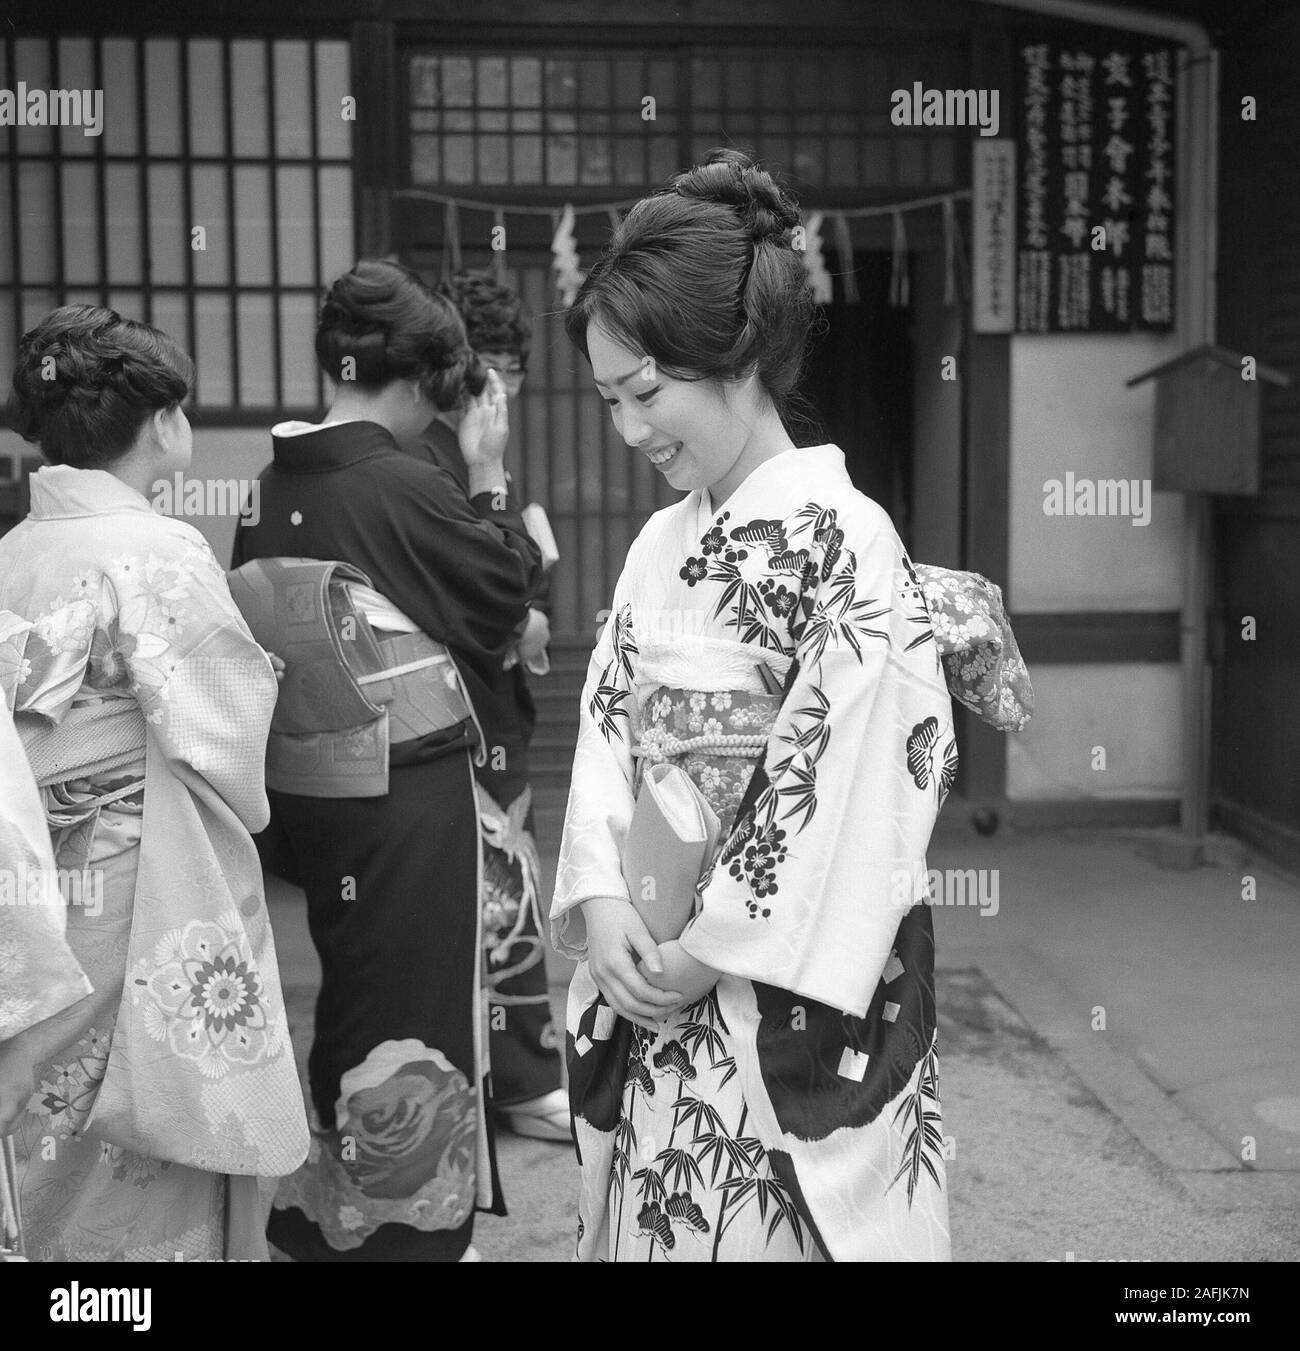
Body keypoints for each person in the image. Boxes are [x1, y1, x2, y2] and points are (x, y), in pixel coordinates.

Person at [550, 149, 957, 1262]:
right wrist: (600, 901)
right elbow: (605, 729)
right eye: (608, 401)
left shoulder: (848, 540)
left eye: (645, 395)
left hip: (769, 990)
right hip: (652, 966)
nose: (629, 430)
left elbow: (851, 780)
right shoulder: (656, 547)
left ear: (734, 358)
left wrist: (711, 943)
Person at [230, 259, 545, 1261]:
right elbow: (500, 597)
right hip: (407, 797)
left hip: (321, 793)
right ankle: (399, 1238)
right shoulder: (400, 481)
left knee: (357, 993)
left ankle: (329, 1215)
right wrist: (489, 482)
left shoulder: (277, 482)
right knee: (416, 1007)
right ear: (413, 387)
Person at [0, 305, 307, 1261]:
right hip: (136, 879)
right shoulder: (161, 550)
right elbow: (216, 725)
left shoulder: (13, 552)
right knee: (146, 1097)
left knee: (45, 1092)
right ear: (163, 421)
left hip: (35, 879)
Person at [401, 267, 567, 1143]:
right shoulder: (435, 460)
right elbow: (482, 597)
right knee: (495, 890)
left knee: (504, 886)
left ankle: (512, 1070)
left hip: (490, 707)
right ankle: (520, 1075)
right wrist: (528, 608)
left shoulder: (460, 449)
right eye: (487, 364)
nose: (500, 387)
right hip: (452, 711)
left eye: (513, 365)